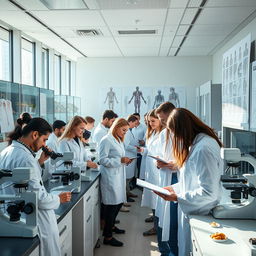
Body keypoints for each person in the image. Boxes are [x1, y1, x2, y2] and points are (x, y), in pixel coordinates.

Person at [156, 108, 223, 256]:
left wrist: (177, 197)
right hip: (193, 211)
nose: (174, 137)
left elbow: (208, 192)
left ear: (183, 129)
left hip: (201, 213)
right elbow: (191, 179)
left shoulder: (204, 148)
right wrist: (174, 189)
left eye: (174, 132)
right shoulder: (196, 144)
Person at [0, 117, 71, 256]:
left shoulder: (7, 151)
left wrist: (40, 162)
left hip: (13, 217)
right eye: (44, 140)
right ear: (34, 135)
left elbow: (26, 181)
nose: (44, 144)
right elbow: (39, 198)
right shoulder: (25, 157)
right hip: (34, 220)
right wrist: (58, 199)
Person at [99, 118, 132, 247]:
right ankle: (107, 237)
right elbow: (102, 160)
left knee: (118, 204)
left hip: (118, 176)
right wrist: (120, 161)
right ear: (116, 127)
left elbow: (118, 157)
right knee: (112, 207)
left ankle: (111, 227)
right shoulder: (106, 140)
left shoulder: (118, 139)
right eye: (123, 130)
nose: (125, 133)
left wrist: (124, 160)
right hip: (110, 178)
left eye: (126, 131)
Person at [155, 102, 177, 256]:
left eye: (164, 119)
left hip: (176, 178)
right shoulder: (164, 133)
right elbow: (158, 154)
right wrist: (158, 163)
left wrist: (176, 164)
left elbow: (187, 159)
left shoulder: (183, 133)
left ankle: (172, 251)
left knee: (173, 222)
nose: (162, 123)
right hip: (165, 177)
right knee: (163, 218)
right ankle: (165, 251)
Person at [140, 109, 164, 236]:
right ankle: (155, 219)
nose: (150, 124)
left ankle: (156, 225)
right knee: (152, 198)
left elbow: (162, 153)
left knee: (157, 199)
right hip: (151, 170)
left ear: (160, 119)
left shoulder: (164, 134)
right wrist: (143, 150)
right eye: (149, 122)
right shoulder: (153, 132)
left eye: (153, 121)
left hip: (158, 171)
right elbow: (150, 150)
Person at [124, 115, 142, 205]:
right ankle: (125, 196)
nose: (135, 125)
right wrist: (136, 149)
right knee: (127, 178)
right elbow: (126, 145)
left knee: (130, 177)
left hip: (132, 156)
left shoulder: (130, 130)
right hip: (129, 157)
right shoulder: (127, 131)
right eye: (134, 123)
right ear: (130, 122)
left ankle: (128, 192)